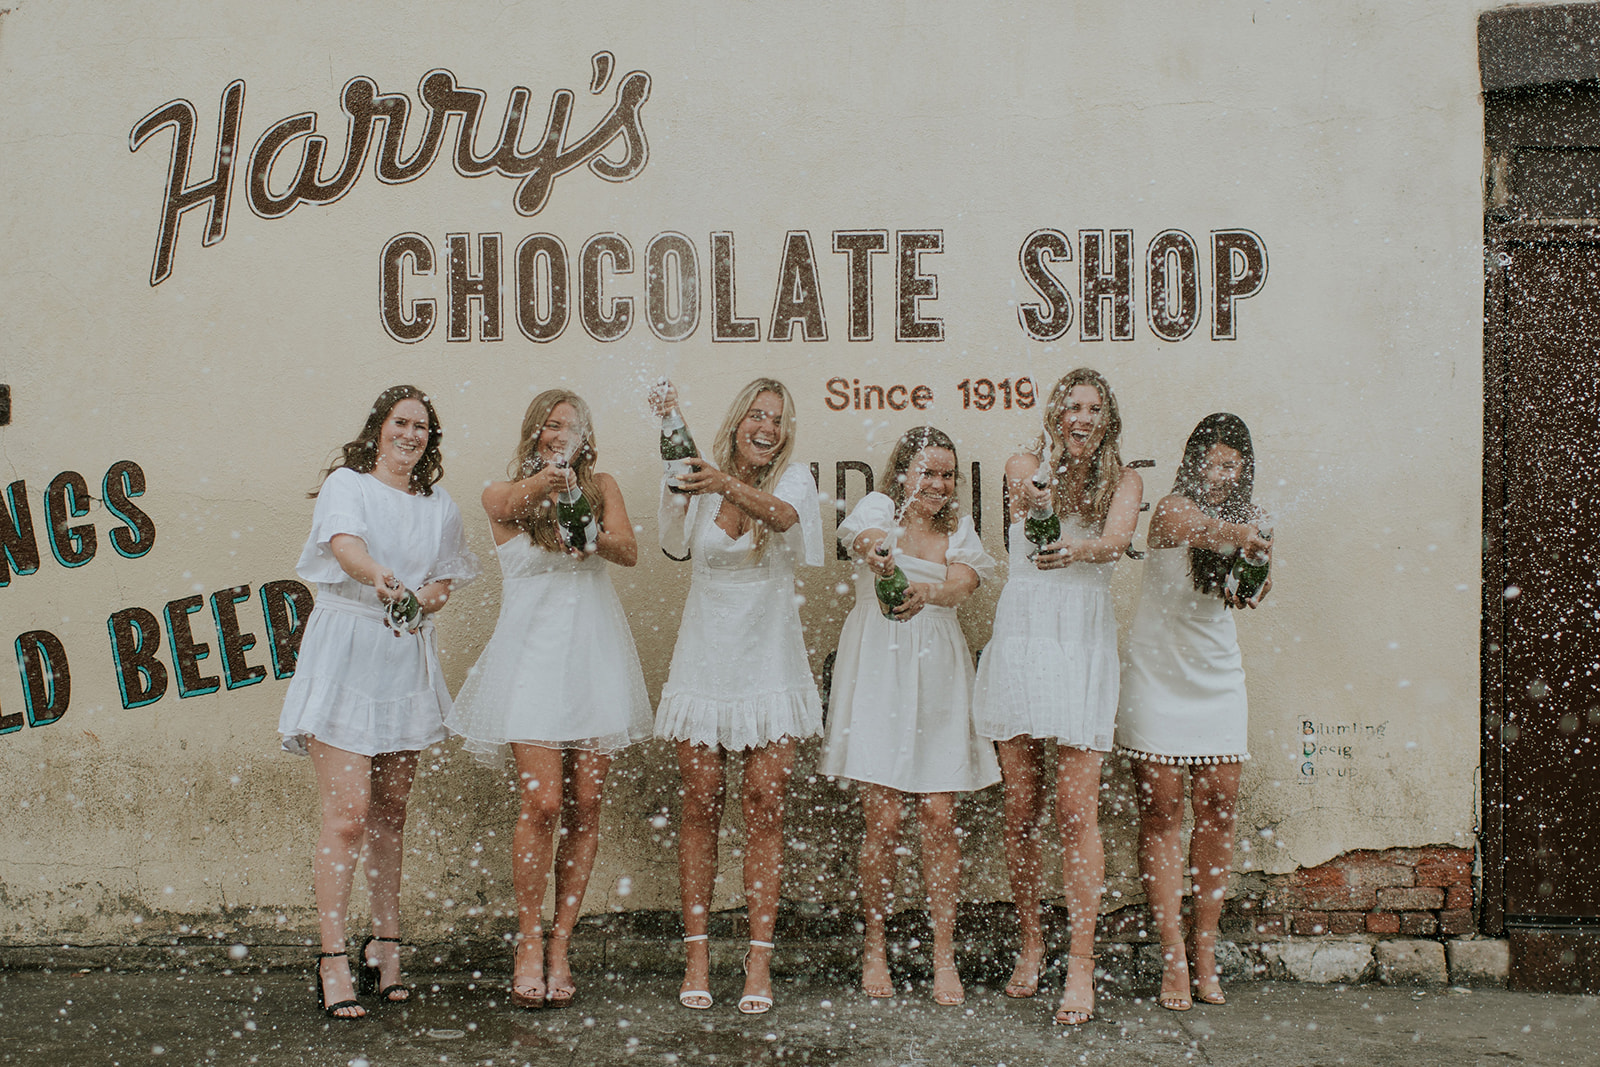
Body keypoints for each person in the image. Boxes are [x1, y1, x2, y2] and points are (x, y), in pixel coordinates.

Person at [444, 390, 652, 1010]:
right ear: (535, 433)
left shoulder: (603, 485)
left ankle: (562, 943)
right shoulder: (502, 494)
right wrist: (550, 481)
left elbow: (629, 550)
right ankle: (528, 940)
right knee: (543, 802)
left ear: (588, 437)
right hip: (532, 662)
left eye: (574, 427)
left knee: (586, 803)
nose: (563, 434)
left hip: (593, 659)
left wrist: (590, 532)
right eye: (552, 426)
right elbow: (511, 502)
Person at [279, 385, 480, 1019]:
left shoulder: (439, 504)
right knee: (347, 813)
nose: (411, 434)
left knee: (391, 812)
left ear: (430, 439)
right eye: (401, 422)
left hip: (403, 656)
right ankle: (331, 955)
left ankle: (386, 945)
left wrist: (428, 599)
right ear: (380, 428)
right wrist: (381, 580)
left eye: (422, 427)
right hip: (347, 649)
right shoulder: (348, 484)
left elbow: (446, 576)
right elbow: (346, 547)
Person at [970, 368, 1143, 1025]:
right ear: (1055, 413)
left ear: (1108, 418)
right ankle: (1030, 939)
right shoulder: (1024, 463)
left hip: (1081, 642)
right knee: (1021, 807)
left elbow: (1118, 540)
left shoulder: (1125, 480)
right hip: (1023, 636)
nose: (1083, 416)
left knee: (1077, 811)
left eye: (1095, 406)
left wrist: (1082, 547)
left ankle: (1079, 963)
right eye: (1073, 405)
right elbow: (1029, 501)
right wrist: (1042, 502)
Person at [652, 377, 825, 1015]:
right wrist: (678, 473)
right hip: (706, 661)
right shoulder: (696, 477)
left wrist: (724, 483)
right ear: (736, 420)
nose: (767, 428)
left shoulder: (794, 478)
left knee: (765, 807)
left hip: (769, 665)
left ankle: (758, 960)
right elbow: (672, 543)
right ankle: (697, 954)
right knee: (699, 806)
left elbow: (784, 520)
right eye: (756, 414)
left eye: (777, 419)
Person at [819, 426, 1000, 1007]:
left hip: (939, 668)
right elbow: (866, 539)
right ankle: (875, 943)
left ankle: (943, 953)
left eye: (947, 474)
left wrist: (933, 595)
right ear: (902, 472)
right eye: (928, 472)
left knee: (940, 818)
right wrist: (878, 554)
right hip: (880, 665)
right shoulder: (879, 508)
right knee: (885, 820)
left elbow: (966, 580)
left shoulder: (959, 529)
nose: (938, 484)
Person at [1116, 412, 1271, 1012]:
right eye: (1212, 460)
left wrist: (1254, 573)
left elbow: (1247, 594)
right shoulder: (1175, 509)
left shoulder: (1247, 522)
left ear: (1243, 470)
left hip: (1217, 678)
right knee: (1161, 813)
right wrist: (1238, 536)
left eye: (1232, 464)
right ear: (1194, 461)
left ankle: (1205, 949)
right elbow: (1196, 528)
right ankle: (1172, 952)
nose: (1222, 473)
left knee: (1220, 813)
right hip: (1157, 676)